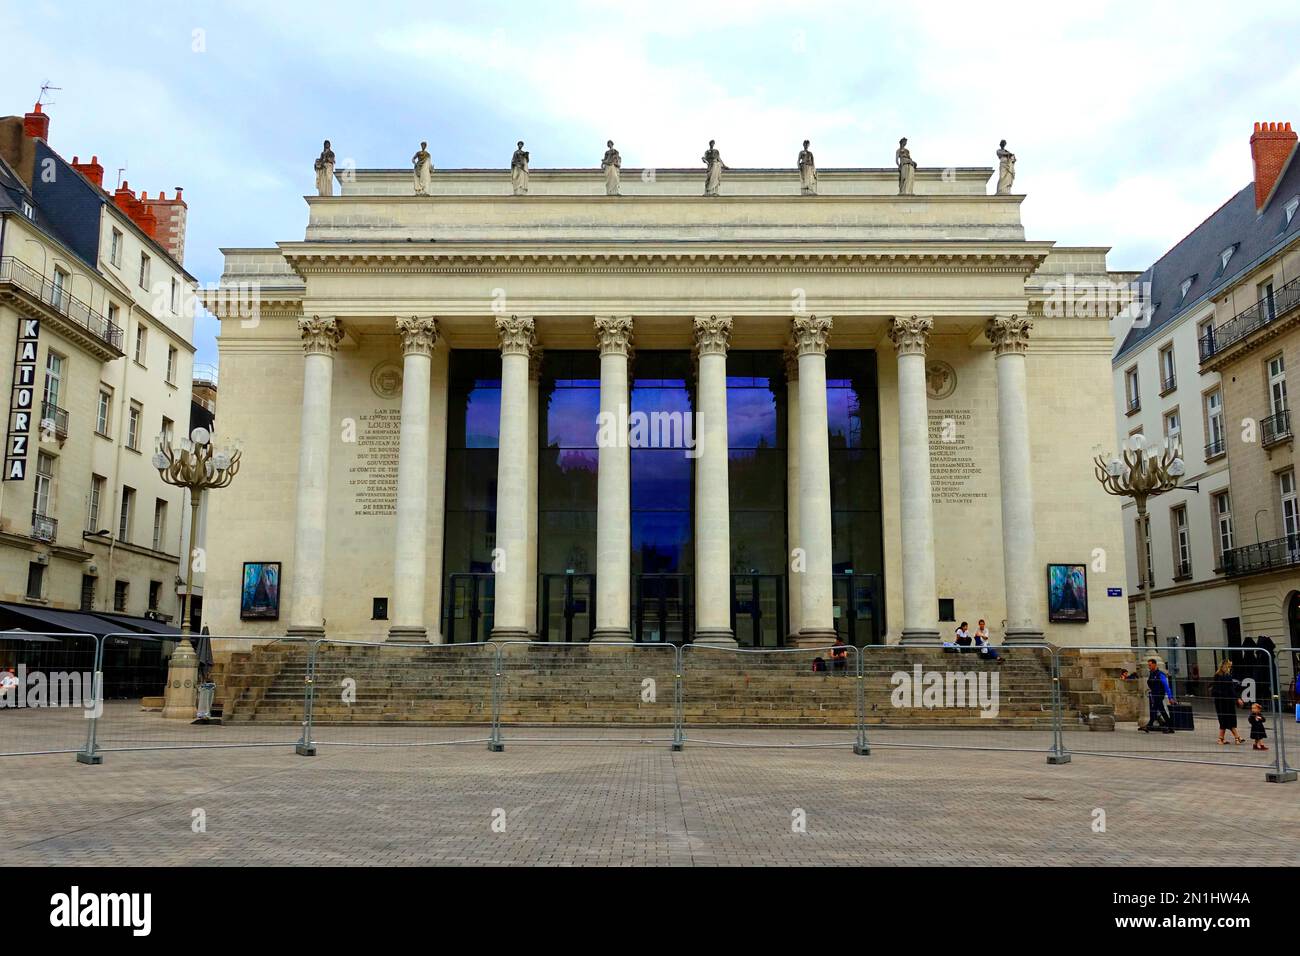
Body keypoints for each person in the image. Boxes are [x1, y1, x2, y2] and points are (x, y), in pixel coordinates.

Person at [1124, 658, 1176, 734]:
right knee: (1161, 710)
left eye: (1150, 665)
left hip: (1159, 695)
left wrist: (1170, 697)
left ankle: (1149, 725)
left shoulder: (1160, 674)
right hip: (1154, 694)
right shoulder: (1151, 674)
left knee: (1154, 710)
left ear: (1155, 664)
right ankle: (1170, 727)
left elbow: (1166, 686)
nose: (1149, 666)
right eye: (1148, 665)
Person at [1210, 659, 1245, 745]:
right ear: (1227, 666)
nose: (1231, 668)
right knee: (1229, 720)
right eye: (1230, 666)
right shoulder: (1227, 676)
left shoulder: (1217, 676)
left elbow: (1213, 690)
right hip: (1227, 701)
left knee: (1224, 720)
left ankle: (1223, 738)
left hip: (1219, 702)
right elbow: (1231, 689)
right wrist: (1237, 698)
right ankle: (1236, 738)